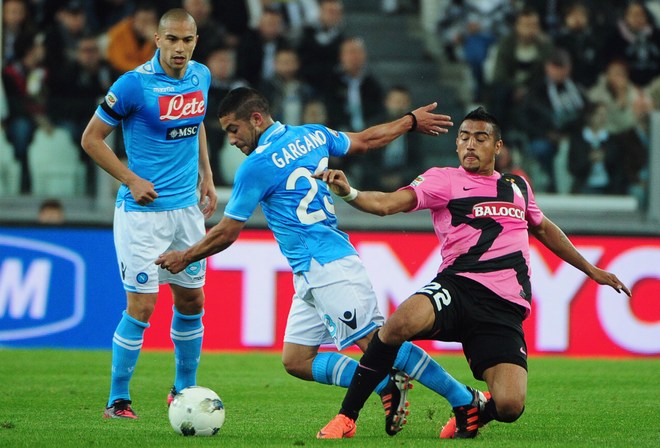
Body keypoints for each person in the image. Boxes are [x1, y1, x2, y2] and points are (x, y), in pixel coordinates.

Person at [156, 87, 482, 437]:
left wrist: (185, 255)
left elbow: (228, 231)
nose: (232, 139)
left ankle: (464, 399)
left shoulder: (256, 166)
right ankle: (384, 386)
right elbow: (366, 140)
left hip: (329, 266)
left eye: (233, 129)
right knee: (297, 360)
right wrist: (409, 121)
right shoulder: (312, 134)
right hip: (310, 271)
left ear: (255, 119)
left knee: (378, 344)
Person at [314, 106, 631, 439]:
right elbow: (387, 204)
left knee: (511, 406)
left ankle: (476, 409)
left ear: (497, 147)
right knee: (398, 324)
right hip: (459, 287)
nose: (469, 145)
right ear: (456, 145)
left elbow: (543, 228)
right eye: (463, 137)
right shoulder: (443, 179)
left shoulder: (517, 186)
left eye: (480, 138)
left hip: (504, 306)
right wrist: (350, 193)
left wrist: (591, 269)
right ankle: (347, 417)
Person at [80, 8, 217, 420]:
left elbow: (197, 122)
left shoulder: (202, 76)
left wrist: (206, 173)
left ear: (195, 41)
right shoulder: (133, 85)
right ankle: (118, 400)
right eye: (172, 40)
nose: (180, 48)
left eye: (187, 40)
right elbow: (91, 139)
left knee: (192, 299)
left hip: (186, 214)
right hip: (143, 215)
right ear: (157, 40)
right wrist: (130, 179)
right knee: (142, 306)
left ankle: (184, 390)